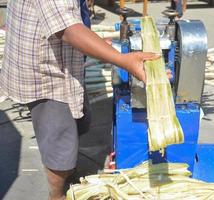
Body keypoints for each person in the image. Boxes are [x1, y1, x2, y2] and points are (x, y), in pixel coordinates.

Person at [0, 0, 159, 200]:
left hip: (63, 57)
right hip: (47, 72)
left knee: (78, 123)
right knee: (59, 143)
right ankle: (57, 195)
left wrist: (100, 45)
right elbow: (68, 29)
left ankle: (68, 169)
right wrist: (124, 60)